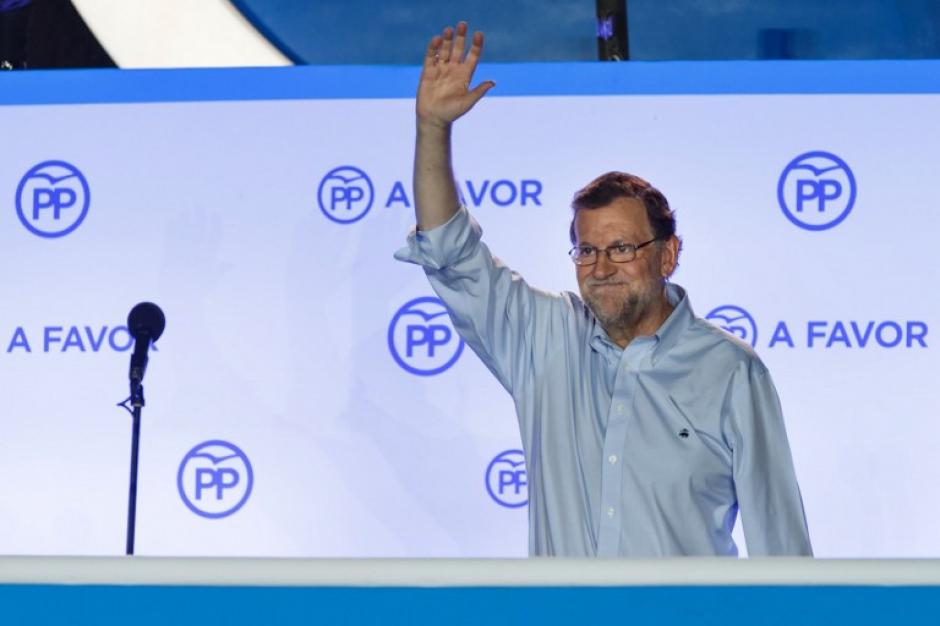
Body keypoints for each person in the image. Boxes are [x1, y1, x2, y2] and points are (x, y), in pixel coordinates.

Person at [395, 22, 812, 557]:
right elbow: (450, 252)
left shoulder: (730, 372)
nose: (601, 267)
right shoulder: (543, 339)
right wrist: (433, 127)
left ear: (667, 255)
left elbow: (781, 545)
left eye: (621, 249)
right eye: (587, 251)